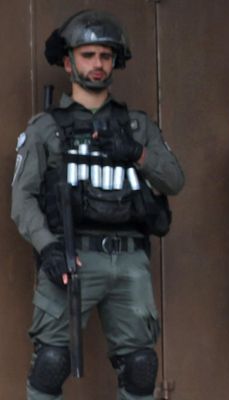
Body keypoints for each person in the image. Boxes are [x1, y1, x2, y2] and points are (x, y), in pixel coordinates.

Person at [11, 9, 184, 400]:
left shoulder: (137, 126)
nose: (97, 64)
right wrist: (48, 247)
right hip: (71, 256)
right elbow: (21, 199)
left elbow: (174, 180)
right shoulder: (46, 127)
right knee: (50, 362)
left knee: (141, 367)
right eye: (88, 55)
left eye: (105, 56)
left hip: (129, 260)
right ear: (68, 60)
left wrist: (137, 154)